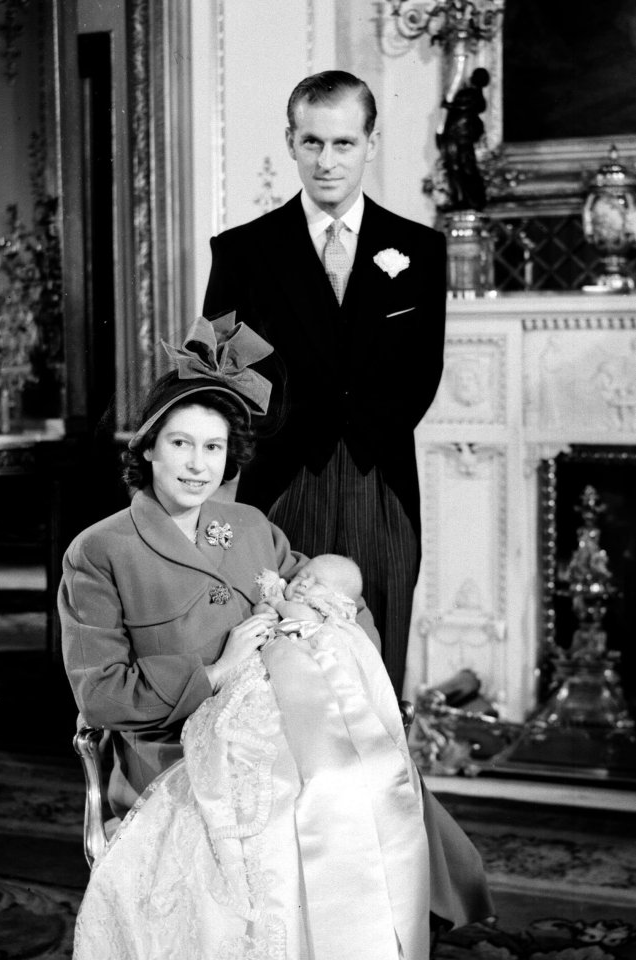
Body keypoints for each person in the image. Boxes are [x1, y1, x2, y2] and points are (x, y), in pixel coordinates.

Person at [61, 315, 491, 958]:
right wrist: (216, 671)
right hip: (175, 747)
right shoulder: (99, 551)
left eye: (213, 448)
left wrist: (332, 651)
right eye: (180, 444)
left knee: (370, 771)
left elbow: (330, 602)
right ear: (148, 447)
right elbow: (101, 695)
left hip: (284, 719)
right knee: (320, 799)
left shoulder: (250, 525)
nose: (197, 465)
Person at [203, 70, 447, 696]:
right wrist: (284, 436)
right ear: (290, 142)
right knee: (279, 671)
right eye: (312, 142)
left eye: (343, 143)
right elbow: (220, 370)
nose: (327, 161)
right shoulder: (243, 252)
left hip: (381, 482)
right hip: (283, 481)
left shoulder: (418, 249)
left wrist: (360, 434)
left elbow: (423, 370)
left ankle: (384, 792)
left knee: (377, 667)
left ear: (370, 141)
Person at [436, 67, 490, 212]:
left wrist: (447, 104)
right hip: (457, 138)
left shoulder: (471, 96)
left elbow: (451, 103)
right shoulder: (474, 97)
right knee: (459, 170)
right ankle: (463, 200)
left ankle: (468, 200)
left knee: (463, 169)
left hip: (460, 139)